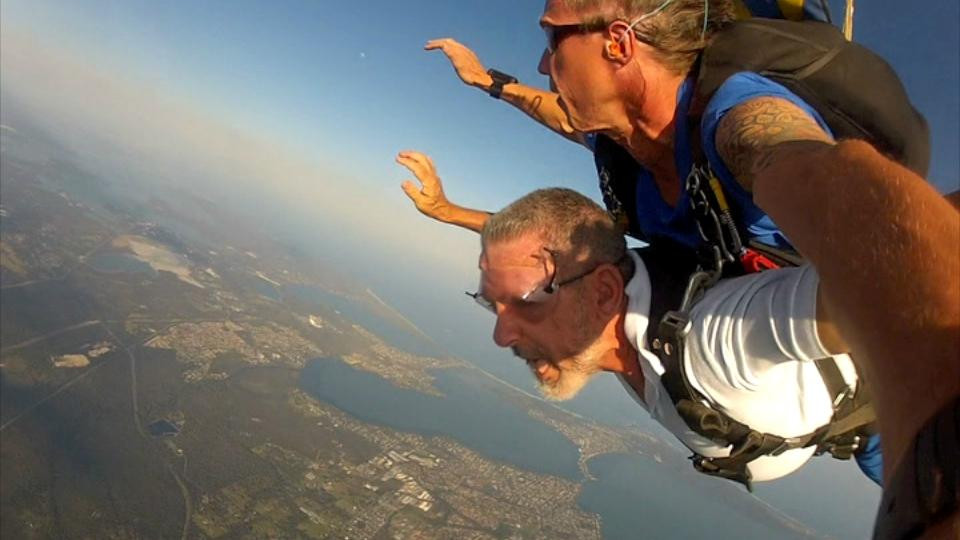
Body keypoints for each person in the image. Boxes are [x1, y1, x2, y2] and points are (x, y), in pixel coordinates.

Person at [461, 185, 871, 489]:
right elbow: (545, 262)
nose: (502, 335)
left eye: (523, 302)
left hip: (890, 431)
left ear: (604, 292)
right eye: (491, 303)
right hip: (833, 435)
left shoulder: (716, 334)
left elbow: (897, 283)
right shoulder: (603, 326)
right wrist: (449, 211)